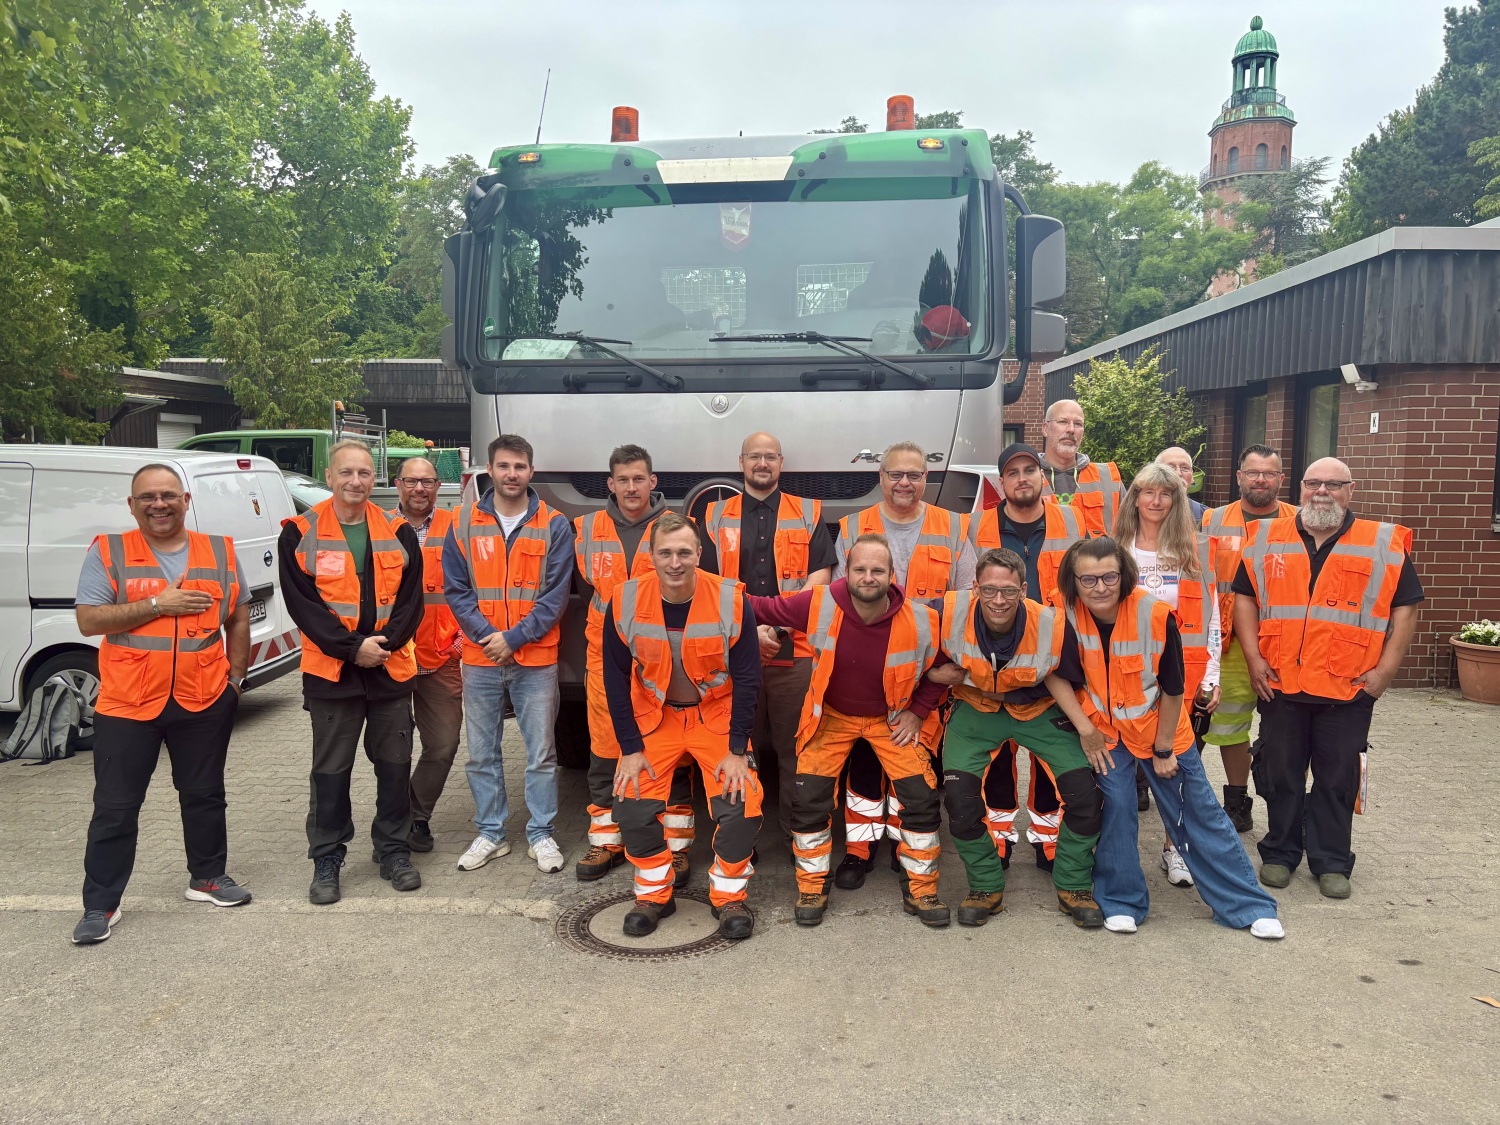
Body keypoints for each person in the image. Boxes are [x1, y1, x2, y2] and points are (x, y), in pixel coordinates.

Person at [1050, 537, 1284, 939]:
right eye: (1088, 579)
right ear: (1073, 581)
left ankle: (1246, 905)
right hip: (1104, 734)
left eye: (1109, 577)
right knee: (1117, 807)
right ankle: (1120, 900)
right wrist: (1086, 731)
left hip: (1160, 729)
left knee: (1197, 811)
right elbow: (1055, 674)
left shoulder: (1155, 614)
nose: (1099, 587)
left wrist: (1162, 750)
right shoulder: (1061, 612)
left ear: (1124, 575)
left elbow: (1174, 689)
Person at [70, 464, 252, 944]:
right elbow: (89, 620)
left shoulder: (220, 550)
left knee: (205, 794)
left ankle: (207, 877)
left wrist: (235, 679)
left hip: (203, 698)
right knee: (115, 806)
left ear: (185, 501)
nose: (159, 504)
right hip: (128, 704)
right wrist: (156, 605)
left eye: (169, 495)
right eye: (148, 497)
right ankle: (100, 905)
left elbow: (237, 616)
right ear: (132, 506)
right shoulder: (109, 551)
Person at [1233, 456, 1422, 900]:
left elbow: (1406, 609)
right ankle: (1280, 853)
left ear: (1350, 491)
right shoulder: (1265, 537)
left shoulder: (1382, 541)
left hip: (1348, 686)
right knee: (1280, 772)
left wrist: (1385, 672)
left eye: (1333, 485)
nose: (1322, 491)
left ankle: (1332, 861)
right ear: (1299, 488)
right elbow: (1244, 599)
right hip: (1281, 682)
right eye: (1314, 483)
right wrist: (1254, 658)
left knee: (1338, 778)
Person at [750, 533, 953, 928]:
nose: (868, 577)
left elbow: (945, 669)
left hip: (891, 720)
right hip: (833, 717)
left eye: (877, 570)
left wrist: (918, 711)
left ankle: (923, 890)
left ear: (893, 576)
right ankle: (812, 888)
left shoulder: (923, 620)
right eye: (860, 569)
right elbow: (760, 606)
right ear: (847, 571)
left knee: (921, 797)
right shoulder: (819, 603)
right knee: (807, 799)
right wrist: (704, 589)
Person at [924, 548, 1106, 928]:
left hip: (1037, 710)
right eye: (989, 590)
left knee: (1085, 795)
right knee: (959, 800)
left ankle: (1073, 885)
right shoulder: (945, 611)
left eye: (1008, 591)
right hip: (976, 709)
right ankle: (984, 886)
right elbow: (900, 639)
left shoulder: (1051, 624)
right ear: (975, 588)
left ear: (1023, 590)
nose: (998, 600)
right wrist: (932, 675)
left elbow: (1060, 677)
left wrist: (1086, 729)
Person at [605, 513, 763, 941]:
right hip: (656, 719)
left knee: (742, 803)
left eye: (683, 552)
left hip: (715, 717)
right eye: (665, 553)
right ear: (651, 555)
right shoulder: (624, 599)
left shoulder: (731, 599)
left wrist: (737, 749)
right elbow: (614, 679)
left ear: (698, 554)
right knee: (630, 804)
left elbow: (748, 678)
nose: (674, 562)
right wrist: (630, 748)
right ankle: (654, 896)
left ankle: (729, 898)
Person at [280, 440, 425, 904]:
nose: (356, 481)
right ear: (329, 476)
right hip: (332, 675)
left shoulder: (398, 531)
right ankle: (327, 857)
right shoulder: (299, 533)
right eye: (346, 472)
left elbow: (411, 603)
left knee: (395, 766)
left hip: (389, 669)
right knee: (331, 772)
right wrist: (351, 649)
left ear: (374, 478)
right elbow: (304, 607)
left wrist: (382, 647)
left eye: (364, 473)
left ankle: (393, 850)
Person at [832, 441, 972, 886]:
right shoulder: (853, 527)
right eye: (896, 474)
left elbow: (965, 603)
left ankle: (901, 843)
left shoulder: (953, 526)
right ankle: (859, 850)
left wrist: (940, 670)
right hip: (869, 669)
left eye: (914, 474)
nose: (904, 482)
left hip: (927, 668)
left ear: (926, 478)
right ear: (882, 478)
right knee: (864, 761)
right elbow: (839, 600)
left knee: (914, 757)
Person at [572, 445, 705, 884]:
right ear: (611, 484)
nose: (632, 487)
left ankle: (676, 846)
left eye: (639, 479)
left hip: (661, 660)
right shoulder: (586, 528)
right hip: (603, 657)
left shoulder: (676, 528)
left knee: (672, 752)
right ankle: (607, 840)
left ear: (653, 482)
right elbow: (583, 590)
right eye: (623, 480)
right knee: (606, 750)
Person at [444, 435, 574, 875]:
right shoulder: (462, 521)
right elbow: (457, 591)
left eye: (519, 466)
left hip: (535, 660)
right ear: (490, 469)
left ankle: (541, 834)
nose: (511, 474)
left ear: (531, 471)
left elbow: (555, 597)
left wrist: (514, 639)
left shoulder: (554, 524)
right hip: (481, 659)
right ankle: (491, 833)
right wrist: (489, 638)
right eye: (503, 466)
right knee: (481, 754)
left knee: (541, 754)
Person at [705, 431, 834, 850]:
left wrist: (777, 629)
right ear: (741, 462)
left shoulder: (808, 512)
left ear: (781, 463)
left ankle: (799, 835)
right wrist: (747, 635)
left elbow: (820, 580)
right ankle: (744, 837)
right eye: (755, 456)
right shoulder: (714, 516)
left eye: (770, 457)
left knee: (796, 749)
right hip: (734, 654)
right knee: (738, 748)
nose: (762, 464)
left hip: (794, 652)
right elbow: (705, 585)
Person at [971, 442, 1084, 871]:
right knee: (998, 755)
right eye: (1013, 472)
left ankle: (1048, 842)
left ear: (1042, 476)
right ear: (1002, 482)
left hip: (1052, 653)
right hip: (995, 652)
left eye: (1030, 470)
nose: (1022, 479)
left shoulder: (1072, 520)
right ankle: (998, 839)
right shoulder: (975, 525)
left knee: (1048, 754)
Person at [1113, 462, 1221, 889]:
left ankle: (1176, 849)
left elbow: (1213, 618)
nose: (1156, 501)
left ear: (1177, 501)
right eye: (1148, 492)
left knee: (1176, 768)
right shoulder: (1115, 547)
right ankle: (1119, 857)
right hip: (1124, 674)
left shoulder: (1197, 549)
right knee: (1120, 774)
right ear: (1135, 497)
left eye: (1166, 494)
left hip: (1181, 675)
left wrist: (1211, 674)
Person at [1201, 444, 1298, 831]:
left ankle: (1286, 807)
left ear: (1281, 479)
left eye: (1269, 473)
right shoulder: (1212, 520)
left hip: (1281, 642)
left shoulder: (1299, 521)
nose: (1261, 479)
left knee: (1285, 733)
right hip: (1228, 644)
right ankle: (1237, 801)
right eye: (1253, 473)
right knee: (1227, 725)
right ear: (1239, 477)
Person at [390, 456, 463, 854]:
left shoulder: (457, 526)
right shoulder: (380, 527)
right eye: (411, 481)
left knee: (444, 743)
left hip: (441, 656)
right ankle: (394, 824)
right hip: (391, 659)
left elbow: (478, 585)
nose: (419, 488)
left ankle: (415, 814)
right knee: (392, 750)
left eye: (428, 481)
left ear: (439, 486)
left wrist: (464, 638)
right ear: (397, 484)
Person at [1037, 399, 1124, 535]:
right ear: (1045, 429)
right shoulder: (1024, 478)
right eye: (1063, 422)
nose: (1071, 429)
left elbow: (1132, 531)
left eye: (1078, 424)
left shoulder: (1107, 479)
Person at [1155, 446, 1207, 523]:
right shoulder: (1140, 515)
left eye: (1185, 468)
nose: (1178, 473)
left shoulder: (1208, 517)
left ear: (1192, 477)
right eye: (1170, 468)